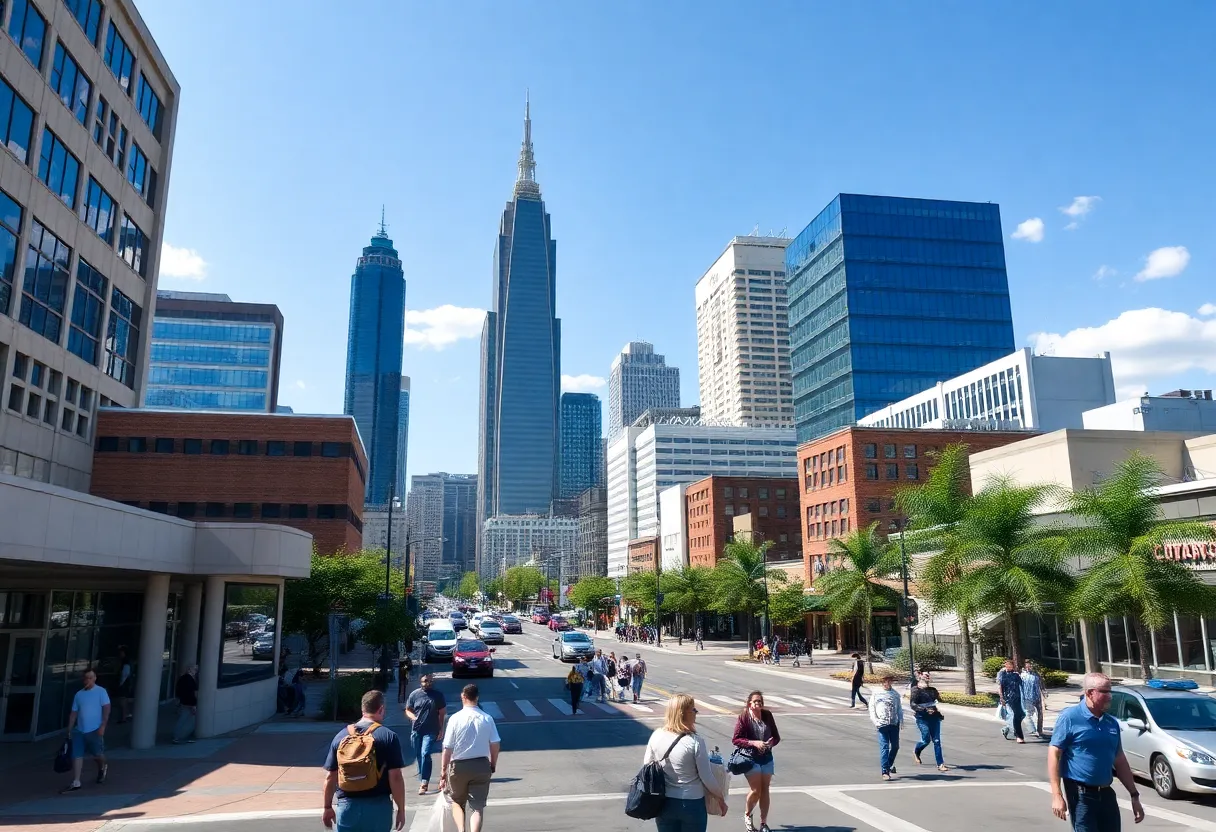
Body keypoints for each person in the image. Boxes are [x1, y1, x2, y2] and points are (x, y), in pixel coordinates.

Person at [1048, 672, 1145, 831]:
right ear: (1089, 693)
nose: (1110, 696)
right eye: (1104, 692)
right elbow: (1054, 754)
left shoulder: (1111, 723)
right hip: (1081, 795)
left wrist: (1134, 795)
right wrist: (1057, 795)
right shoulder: (1070, 717)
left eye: (1110, 691)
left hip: (1106, 794)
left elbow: (1119, 759)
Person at [322, 689, 406, 831]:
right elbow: (396, 777)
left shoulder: (340, 736)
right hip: (378, 807)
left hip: (347, 806)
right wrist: (401, 810)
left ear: (362, 709)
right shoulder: (388, 737)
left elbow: (331, 776)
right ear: (381, 709)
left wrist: (327, 807)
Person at [642, 694, 725, 832]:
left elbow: (647, 766)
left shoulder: (656, 735)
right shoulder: (695, 742)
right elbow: (707, 777)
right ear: (683, 713)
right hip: (692, 803)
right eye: (693, 710)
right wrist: (720, 797)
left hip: (664, 803)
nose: (696, 713)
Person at [439, 684, 501, 832]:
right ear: (477, 697)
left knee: (457, 802)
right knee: (477, 807)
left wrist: (443, 771)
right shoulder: (487, 718)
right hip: (481, 765)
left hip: (459, 766)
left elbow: (447, 748)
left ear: (463, 697)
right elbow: (495, 744)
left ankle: (461, 830)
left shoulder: (455, 719)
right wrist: (493, 763)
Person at [733, 691, 780, 832]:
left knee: (765, 789)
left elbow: (776, 736)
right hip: (750, 758)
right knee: (756, 790)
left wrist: (770, 743)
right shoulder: (744, 717)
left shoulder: (767, 715)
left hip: (766, 757)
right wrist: (754, 743)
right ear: (750, 704)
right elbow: (736, 739)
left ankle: (763, 823)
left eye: (760, 701)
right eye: (755, 701)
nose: (758, 703)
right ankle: (747, 815)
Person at [61, 668, 110, 793]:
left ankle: (102, 766)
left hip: (95, 729)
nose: (87, 680)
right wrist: (70, 728)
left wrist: (103, 726)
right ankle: (76, 781)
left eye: (90, 677)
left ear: (94, 678)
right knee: (77, 755)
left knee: (97, 754)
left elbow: (106, 709)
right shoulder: (79, 694)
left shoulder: (101, 692)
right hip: (79, 730)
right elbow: (74, 712)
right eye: (86, 678)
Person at [404, 673, 447, 795]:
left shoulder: (437, 695)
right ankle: (423, 775)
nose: (427, 683)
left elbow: (442, 713)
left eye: (429, 681)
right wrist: (413, 717)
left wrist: (441, 729)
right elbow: (408, 709)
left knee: (425, 753)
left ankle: (424, 782)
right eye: (425, 681)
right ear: (420, 682)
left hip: (431, 730)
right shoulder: (415, 695)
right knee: (418, 755)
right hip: (416, 730)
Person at [910, 672, 947, 771]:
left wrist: (941, 699)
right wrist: (924, 709)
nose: (927, 676)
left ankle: (940, 764)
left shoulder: (932, 690)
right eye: (924, 674)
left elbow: (939, 700)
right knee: (926, 739)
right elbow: (912, 704)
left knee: (937, 740)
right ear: (919, 676)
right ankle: (917, 751)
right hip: (922, 717)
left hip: (934, 717)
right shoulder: (915, 690)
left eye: (928, 675)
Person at [868, 674, 903, 781]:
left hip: (893, 723)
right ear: (882, 682)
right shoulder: (876, 694)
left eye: (889, 681)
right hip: (882, 724)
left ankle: (888, 765)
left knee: (895, 746)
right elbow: (872, 708)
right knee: (884, 747)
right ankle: (885, 771)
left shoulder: (895, 694)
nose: (887, 683)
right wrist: (875, 721)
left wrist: (901, 720)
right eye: (885, 681)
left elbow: (899, 709)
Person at [997, 658, 1026, 743]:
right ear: (1005, 665)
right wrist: (1002, 698)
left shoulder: (1016, 675)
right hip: (1008, 698)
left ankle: (1007, 729)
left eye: (1011, 665)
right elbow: (1000, 687)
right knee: (1016, 715)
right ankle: (1019, 736)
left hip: (1018, 697)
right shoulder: (1002, 674)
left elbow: (1021, 686)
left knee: (1021, 714)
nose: (1009, 666)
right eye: (1007, 665)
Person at [173, 665, 199, 744]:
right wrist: (193, 705)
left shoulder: (182, 678)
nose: (196, 671)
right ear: (190, 670)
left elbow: (178, 690)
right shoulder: (190, 680)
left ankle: (178, 736)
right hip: (188, 703)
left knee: (183, 719)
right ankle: (178, 737)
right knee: (185, 720)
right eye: (195, 669)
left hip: (183, 701)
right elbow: (191, 693)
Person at [1022, 659, 1047, 739]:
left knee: (1040, 714)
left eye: (1030, 665)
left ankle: (1040, 730)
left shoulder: (1036, 675)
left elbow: (1041, 684)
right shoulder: (1021, 675)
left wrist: (1044, 693)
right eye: (1027, 665)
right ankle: (1032, 729)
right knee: (1028, 714)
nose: (1029, 667)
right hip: (1027, 697)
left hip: (1037, 697)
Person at [116, 647, 134, 723]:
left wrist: (121, 683)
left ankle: (123, 717)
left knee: (122, 701)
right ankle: (126, 715)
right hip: (127, 683)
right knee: (124, 700)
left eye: (121, 653)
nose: (120, 654)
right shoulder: (128, 662)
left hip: (124, 684)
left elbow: (125, 674)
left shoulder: (125, 662)